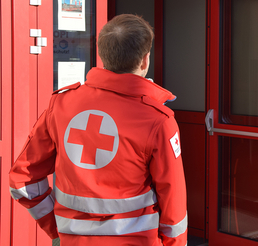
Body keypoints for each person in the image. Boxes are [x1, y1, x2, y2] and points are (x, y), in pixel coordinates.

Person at [9, 14, 187, 246]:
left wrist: (55, 229)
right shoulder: (158, 120)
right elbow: (173, 202)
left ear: (103, 57)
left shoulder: (61, 105)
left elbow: (23, 179)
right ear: (145, 60)